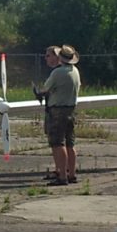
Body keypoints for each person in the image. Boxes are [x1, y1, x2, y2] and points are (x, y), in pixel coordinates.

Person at [36, 45, 81, 186]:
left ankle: (62, 176)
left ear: (60, 58)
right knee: (70, 143)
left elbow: (45, 89)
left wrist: (39, 93)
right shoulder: (75, 71)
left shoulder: (57, 73)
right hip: (70, 110)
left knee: (57, 143)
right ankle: (71, 174)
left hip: (57, 111)